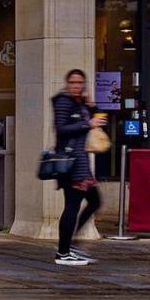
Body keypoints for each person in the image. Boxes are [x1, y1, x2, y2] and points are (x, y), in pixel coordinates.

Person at [51, 68, 102, 266]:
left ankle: (69, 245)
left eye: (80, 83)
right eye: (73, 82)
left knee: (95, 201)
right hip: (71, 163)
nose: (76, 86)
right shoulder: (63, 102)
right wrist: (87, 124)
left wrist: (91, 106)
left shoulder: (78, 103)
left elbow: (93, 120)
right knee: (72, 206)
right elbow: (61, 129)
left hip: (81, 163)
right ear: (67, 83)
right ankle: (63, 252)